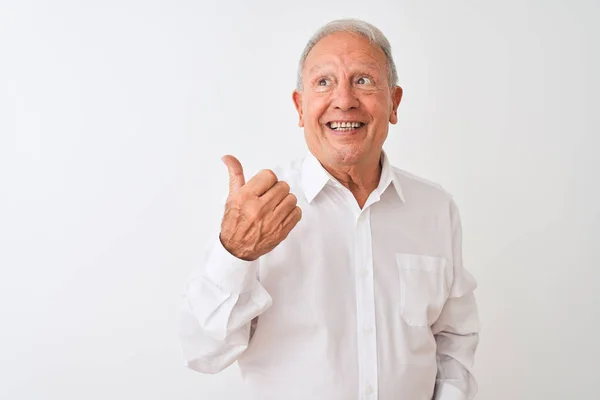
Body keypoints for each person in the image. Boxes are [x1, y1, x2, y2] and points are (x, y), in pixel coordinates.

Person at [178, 18, 480, 400]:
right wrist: (234, 253)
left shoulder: (435, 208)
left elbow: (453, 339)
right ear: (300, 107)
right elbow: (203, 353)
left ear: (394, 103)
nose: (344, 100)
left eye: (364, 80)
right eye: (323, 82)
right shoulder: (257, 211)